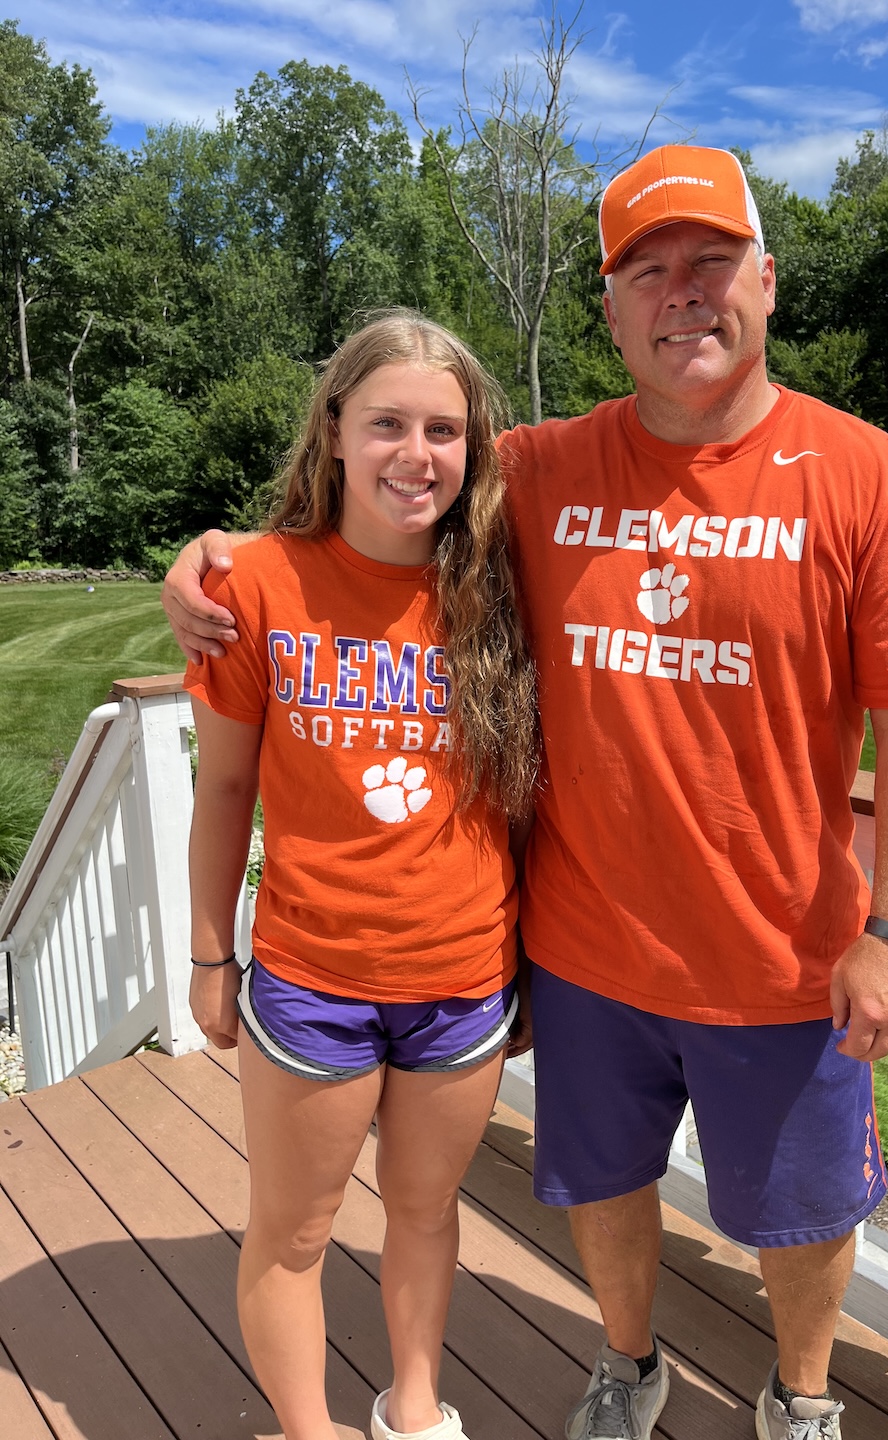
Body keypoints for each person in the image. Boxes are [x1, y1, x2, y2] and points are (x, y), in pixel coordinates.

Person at [166, 148, 888, 1440]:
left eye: (712, 264)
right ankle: (625, 1364)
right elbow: (367, 509)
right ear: (609, 312)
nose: (683, 296)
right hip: (583, 949)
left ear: (767, 282)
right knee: (603, 1184)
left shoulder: (873, 480)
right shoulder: (536, 474)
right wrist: (210, 562)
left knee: (806, 1207)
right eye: (647, 272)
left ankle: (805, 1397)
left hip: (782, 950)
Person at [184, 309, 538, 1440]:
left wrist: (529, 958)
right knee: (294, 1230)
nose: (416, 453)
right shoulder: (257, 586)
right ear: (334, 429)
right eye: (387, 422)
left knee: (427, 1213)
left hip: (463, 977)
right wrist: (210, 955)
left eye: (444, 429)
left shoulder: (501, 592)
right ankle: (308, 1428)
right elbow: (225, 792)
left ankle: (415, 1407)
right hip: (311, 980)